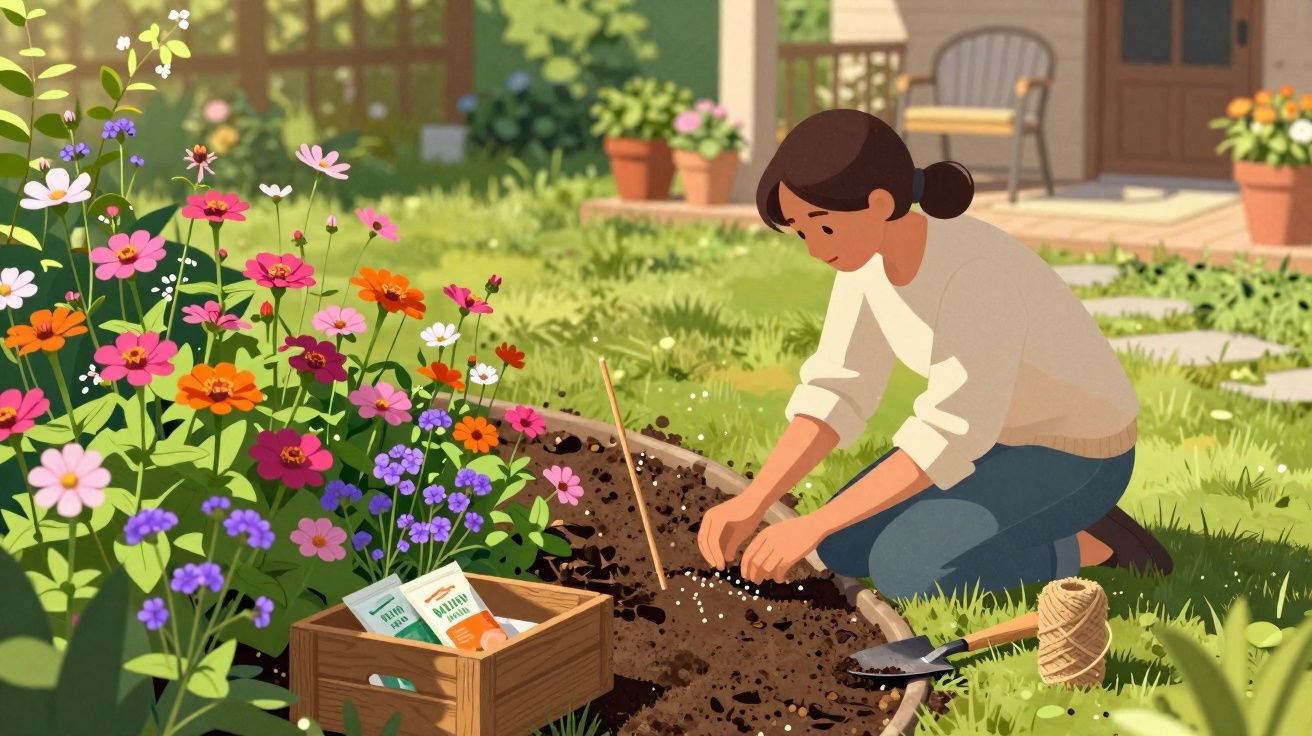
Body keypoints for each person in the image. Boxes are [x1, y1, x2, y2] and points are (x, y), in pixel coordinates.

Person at [696, 109, 1172, 598]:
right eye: (802, 232)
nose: (816, 250)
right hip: (995, 441)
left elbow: (949, 432)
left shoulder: (975, 274)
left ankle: (1093, 544)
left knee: (910, 569)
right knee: (839, 547)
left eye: (825, 228)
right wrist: (753, 502)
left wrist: (809, 524)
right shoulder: (863, 263)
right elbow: (838, 389)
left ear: (879, 203)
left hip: (1077, 452)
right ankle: (1023, 514)